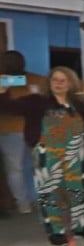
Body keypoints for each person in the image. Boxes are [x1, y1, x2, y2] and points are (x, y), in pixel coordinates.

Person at [0, 66, 84, 243]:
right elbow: (9, 107)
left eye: (64, 80)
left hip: (76, 153)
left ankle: (81, 226)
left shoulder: (81, 102)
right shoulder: (36, 101)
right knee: (49, 191)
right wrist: (2, 91)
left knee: (78, 191)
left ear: (72, 83)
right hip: (46, 153)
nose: (59, 83)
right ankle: (55, 231)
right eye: (55, 79)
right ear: (49, 82)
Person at [0, 50, 46, 215]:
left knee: (20, 169)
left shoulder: (34, 79)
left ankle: (27, 203)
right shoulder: (36, 80)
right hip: (22, 130)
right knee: (30, 168)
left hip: (18, 130)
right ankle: (31, 202)